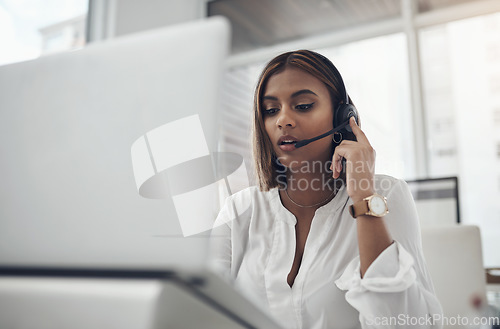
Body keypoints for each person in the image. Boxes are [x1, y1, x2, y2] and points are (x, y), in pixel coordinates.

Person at [209, 50, 443, 329]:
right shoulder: (238, 211)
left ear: (344, 116)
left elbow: (408, 324)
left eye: (304, 105)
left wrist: (364, 198)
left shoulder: (386, 194)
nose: (283, 120)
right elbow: (203, 314)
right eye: (271, 110)